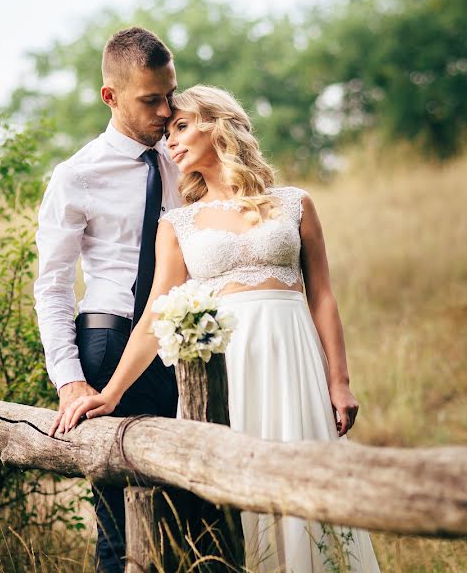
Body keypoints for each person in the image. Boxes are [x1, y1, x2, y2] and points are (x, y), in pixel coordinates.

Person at [56, 85, 382, 572]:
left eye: (182, 126)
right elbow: (154, 315)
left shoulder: (294, 204)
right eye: (167, 133)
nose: (172, 141)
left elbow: (323, 297)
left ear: (219, 123)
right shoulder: (179, 223)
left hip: (293, 363)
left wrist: (339, 381)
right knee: (233, 503)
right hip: (228, 375)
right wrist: (111, 392)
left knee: (305, 487)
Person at [34, 27, 182, 573]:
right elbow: (51, 285)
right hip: (110, 345)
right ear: (110, 96)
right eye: (151, 100)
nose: (166, 111)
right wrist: (69, 378)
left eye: (171, 95)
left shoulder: (184, 155)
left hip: (185, 345)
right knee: (120, 529)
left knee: (195, 511)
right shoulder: (77, 176)